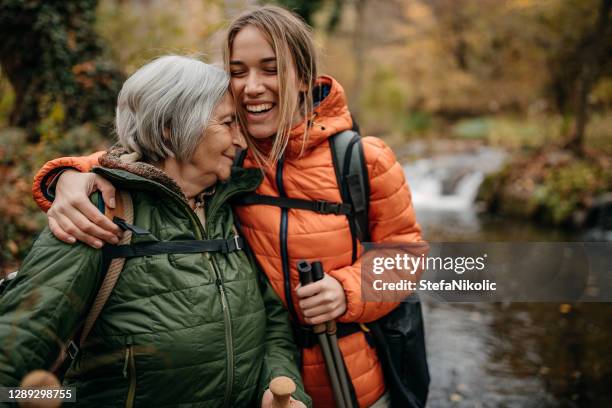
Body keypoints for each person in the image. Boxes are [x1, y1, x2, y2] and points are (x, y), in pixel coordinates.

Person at [31, 6, 423, 407]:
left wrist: (347, 290)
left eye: (270, 69)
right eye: (238, 71)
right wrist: (70, 174)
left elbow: (408, 258)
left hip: (353, 384)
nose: (252, 86)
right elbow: (146, 157)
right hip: (257, 387)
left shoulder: (362, 159)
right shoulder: (227, 154)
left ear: (304, 77)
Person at [2, 55, 310, 408]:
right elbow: (13, 357)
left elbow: (272, 326)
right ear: (170, 127)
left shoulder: (229, 209)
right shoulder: (99, 214)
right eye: (228, 123)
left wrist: (280, 389)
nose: (242, 140)